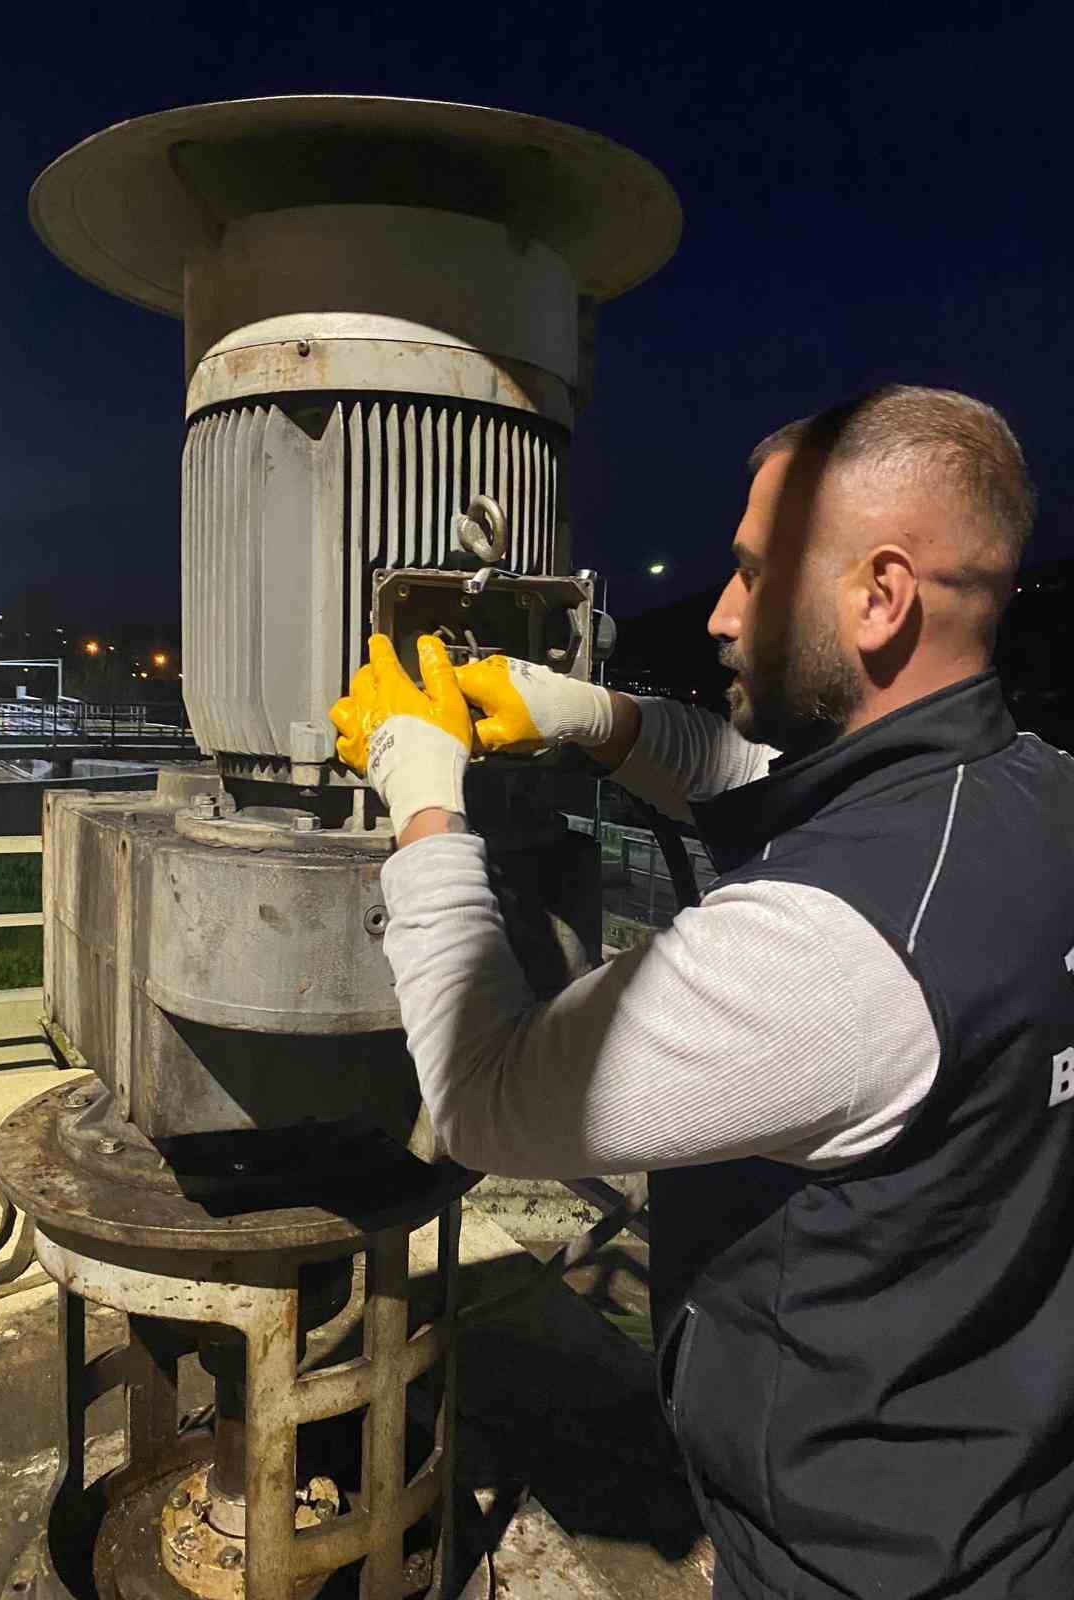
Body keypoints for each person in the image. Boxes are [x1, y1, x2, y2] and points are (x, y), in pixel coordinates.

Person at [329, 384, 1074, 1599]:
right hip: (1011, 1496)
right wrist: (589, 717)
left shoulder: (827, 952)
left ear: (880, 596)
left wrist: (422, 803)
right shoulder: (1037, 791)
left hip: (854, 1559)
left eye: (750, 572)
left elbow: (480, 1092)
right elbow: (774, 777)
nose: (720, 611)